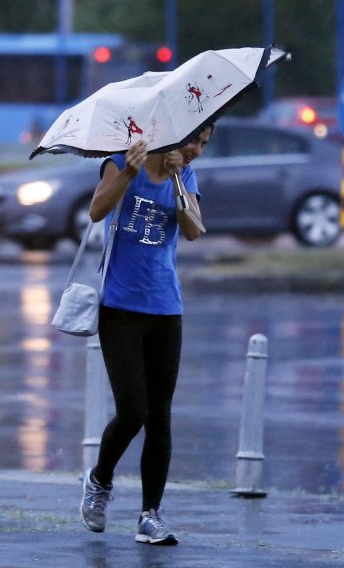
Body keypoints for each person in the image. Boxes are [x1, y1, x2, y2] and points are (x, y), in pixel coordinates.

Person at [79, 124, 213, 545]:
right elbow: (97, 211)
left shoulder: (184, 174)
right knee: (133, 409)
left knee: (160, 415)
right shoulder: (121, 161)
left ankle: (150, 515)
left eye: (204, 144)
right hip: (119, 307)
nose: (196, 150)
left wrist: (177, 178)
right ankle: (99, 481)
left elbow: (192, 230)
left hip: (165, 308)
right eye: (194, 140)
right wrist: (129, 174)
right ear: (174, 134)